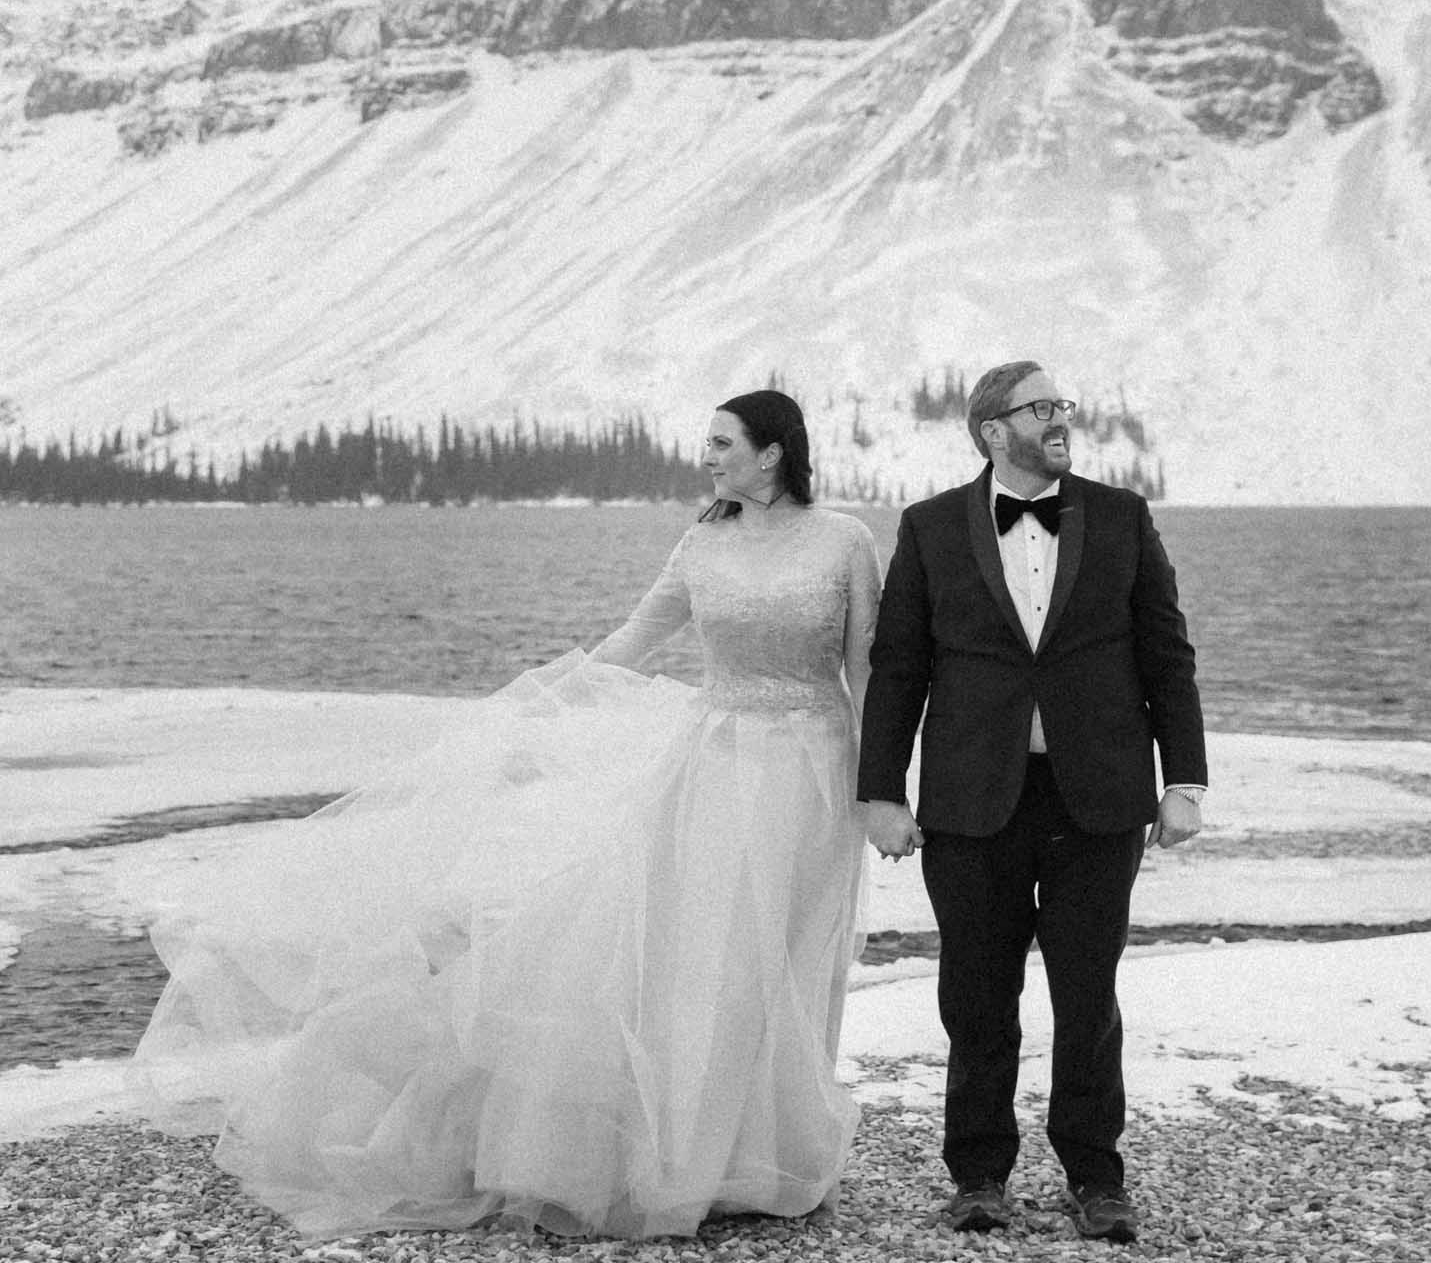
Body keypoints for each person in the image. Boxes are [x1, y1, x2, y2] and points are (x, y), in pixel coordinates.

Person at [133, 390, 881, 1241]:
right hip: (714, 767)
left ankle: (772, 1149)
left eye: (721, 443)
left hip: (814, 770)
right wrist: (537, 703)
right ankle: (698, 1158)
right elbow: (634, 639)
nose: (706, 457)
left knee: (793, 954)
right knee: (709, 956)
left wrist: (881, 783)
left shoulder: (843, 541)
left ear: (771, 452)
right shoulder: (703, 541)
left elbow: (867, 666)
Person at [857, 360, 1206, 1247]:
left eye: (1062, 406)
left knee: (1088, 999)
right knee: (977, 998)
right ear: (993, 430)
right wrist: (880, 792)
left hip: (1099, 799)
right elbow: (899, 668)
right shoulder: (931, 526)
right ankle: (978, 1176)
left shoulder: (1122, 516)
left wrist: (1185, 780)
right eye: (1041, 408)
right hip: (972, 802)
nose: (1060, 420)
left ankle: (1097, 1178)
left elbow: (1167, 655)